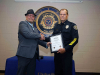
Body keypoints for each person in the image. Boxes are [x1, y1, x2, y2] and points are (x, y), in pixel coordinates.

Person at [16, 9, 51, 75]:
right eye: (29, 15)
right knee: (21, 72)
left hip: (33, 55)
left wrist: (46, 44)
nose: (31, 17)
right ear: (26, 16)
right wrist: (39, 35)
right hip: (24, 54)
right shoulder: (23, 23)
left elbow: (37, 40)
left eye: (33, 16)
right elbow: (27, 34)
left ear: (34, 18)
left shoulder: (35, 29)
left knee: (31, 72)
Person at [45, 9, 79, 75]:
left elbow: (75, 39)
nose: (62, 16)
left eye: (64, 14)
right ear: (59, 15)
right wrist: (43, 38)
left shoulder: (72, 26)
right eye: (61, 14)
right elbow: (52, 38)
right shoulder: (56, 26)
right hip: (57, 54)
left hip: (67, 54)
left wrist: (65, 49)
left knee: (66, 72)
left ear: (67, 15)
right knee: (57, 72)